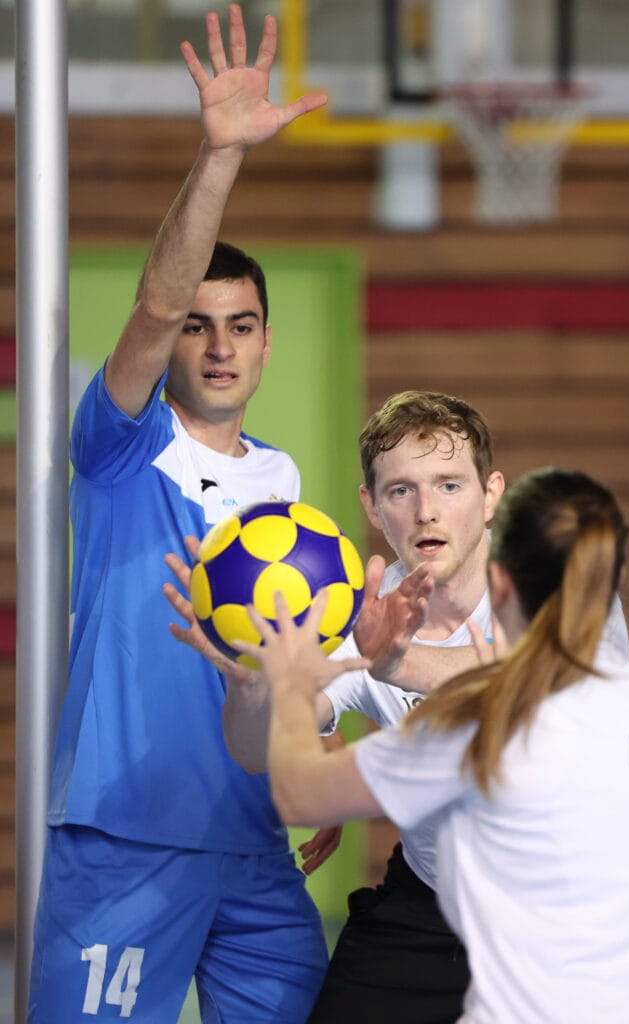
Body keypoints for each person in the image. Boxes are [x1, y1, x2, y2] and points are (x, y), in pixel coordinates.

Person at [28, 7, 341, 1023]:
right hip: (123, 837)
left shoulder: (282, 485)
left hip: (255, 844)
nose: (217, 346)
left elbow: (284, 656)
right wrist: (220, 157)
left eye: (240, 325)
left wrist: (316, 760)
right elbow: (155, 306)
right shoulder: (121, 443)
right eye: (198, 327)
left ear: (265, 343)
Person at [166, 390, 629, 1024]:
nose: (426, 511)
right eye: (401, 491)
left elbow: (555, 680)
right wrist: (250, 684)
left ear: (491, 494)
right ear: (371, 505)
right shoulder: (361, 612)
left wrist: (397, 665)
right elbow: (253, 752)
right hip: (433, 901)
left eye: (449, 485)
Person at [242, 466, 629, 1024]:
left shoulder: (477, 726)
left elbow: (299, 794)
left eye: (449, 485)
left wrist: (283, 675)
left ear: (501, 587)